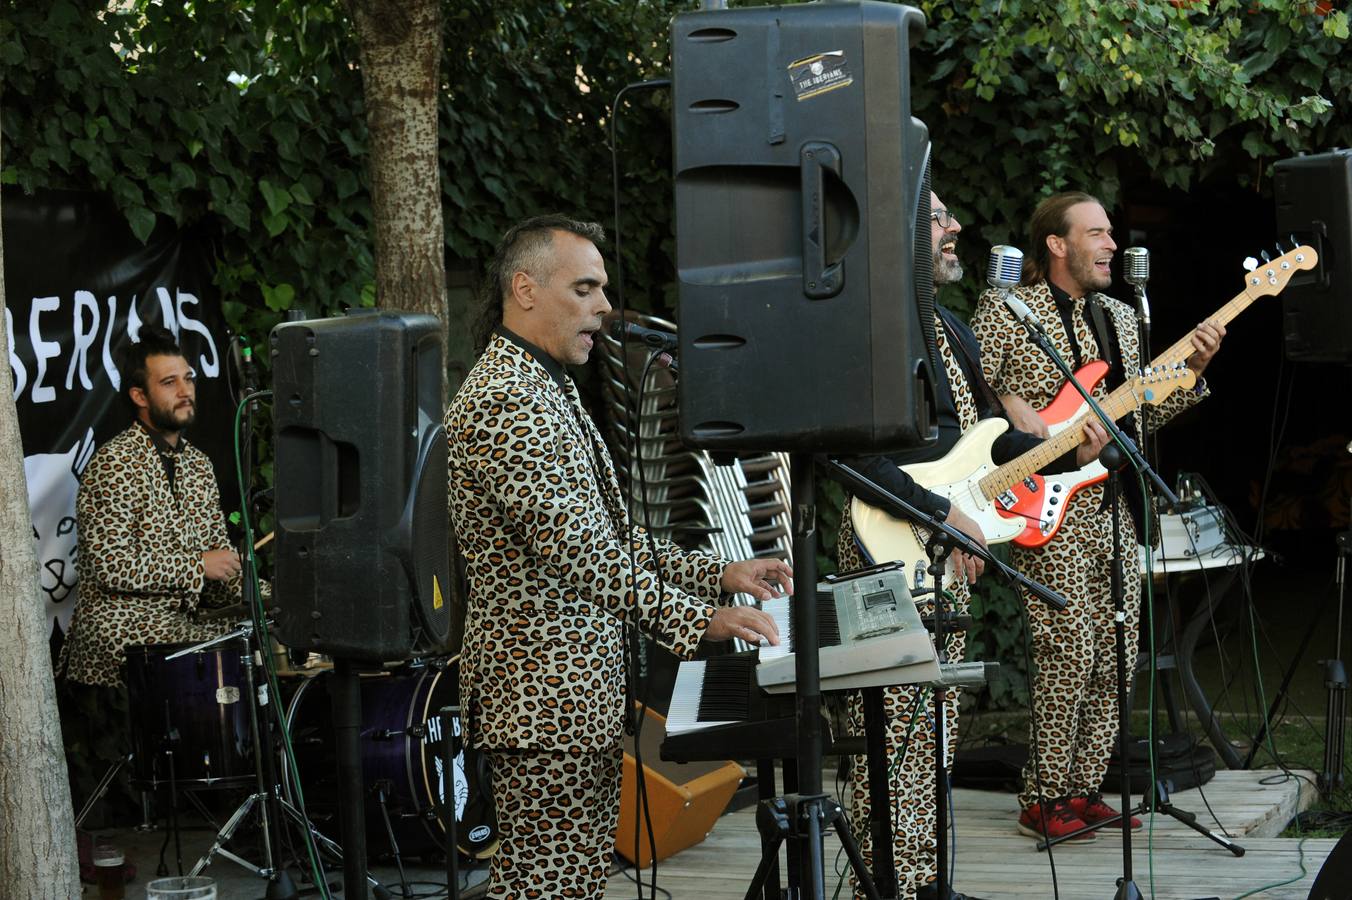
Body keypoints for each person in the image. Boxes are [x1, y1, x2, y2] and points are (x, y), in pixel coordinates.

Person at [445, 214, 792, 900]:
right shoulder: (506, 399)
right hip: (541, 701)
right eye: (585, 288)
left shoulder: (548, 385)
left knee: (567, 885)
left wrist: (715, 572)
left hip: (572, 700)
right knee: (546, 888)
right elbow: (579, 553)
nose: (605, 306)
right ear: (525, 289)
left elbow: (610, 535)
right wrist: (700, 621)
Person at [834, 191, 1109, 900]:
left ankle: (925, 885)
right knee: (891, 740)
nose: (956, 227)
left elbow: (989, 446)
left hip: (941, 552)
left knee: (934, 733)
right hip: (884, 549)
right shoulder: (868, 330)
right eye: (936, 217)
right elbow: (849, 457)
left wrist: (1066, 448)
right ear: (897, 234)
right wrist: (941, 513)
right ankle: (884, 887)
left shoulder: (952, 329)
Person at [969, 191, 1224, 841]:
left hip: (1110, 505)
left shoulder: (1117, 316)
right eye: (1099, 233)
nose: (1113, 244)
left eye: (1112, 232)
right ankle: (1043, 797)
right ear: (1057, 244)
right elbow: (964, 398)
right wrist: (1006, 401)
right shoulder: (1006, 308)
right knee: (1067, 650)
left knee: (1117, 654)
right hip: (1044, 503)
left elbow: (1135, 423)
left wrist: (1190, 374)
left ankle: (1083, 790)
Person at [60, 325, 242, 689]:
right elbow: (110, 566)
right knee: (207, 652)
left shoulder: (199, 464)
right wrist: (197, 565)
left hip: (183, 620)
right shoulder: (115, 462)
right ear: (139, 396)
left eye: (188, 379)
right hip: (120, 624)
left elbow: (217, 564)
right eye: (169, 383)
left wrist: (264, 594)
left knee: (251, 640)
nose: (185, 390)